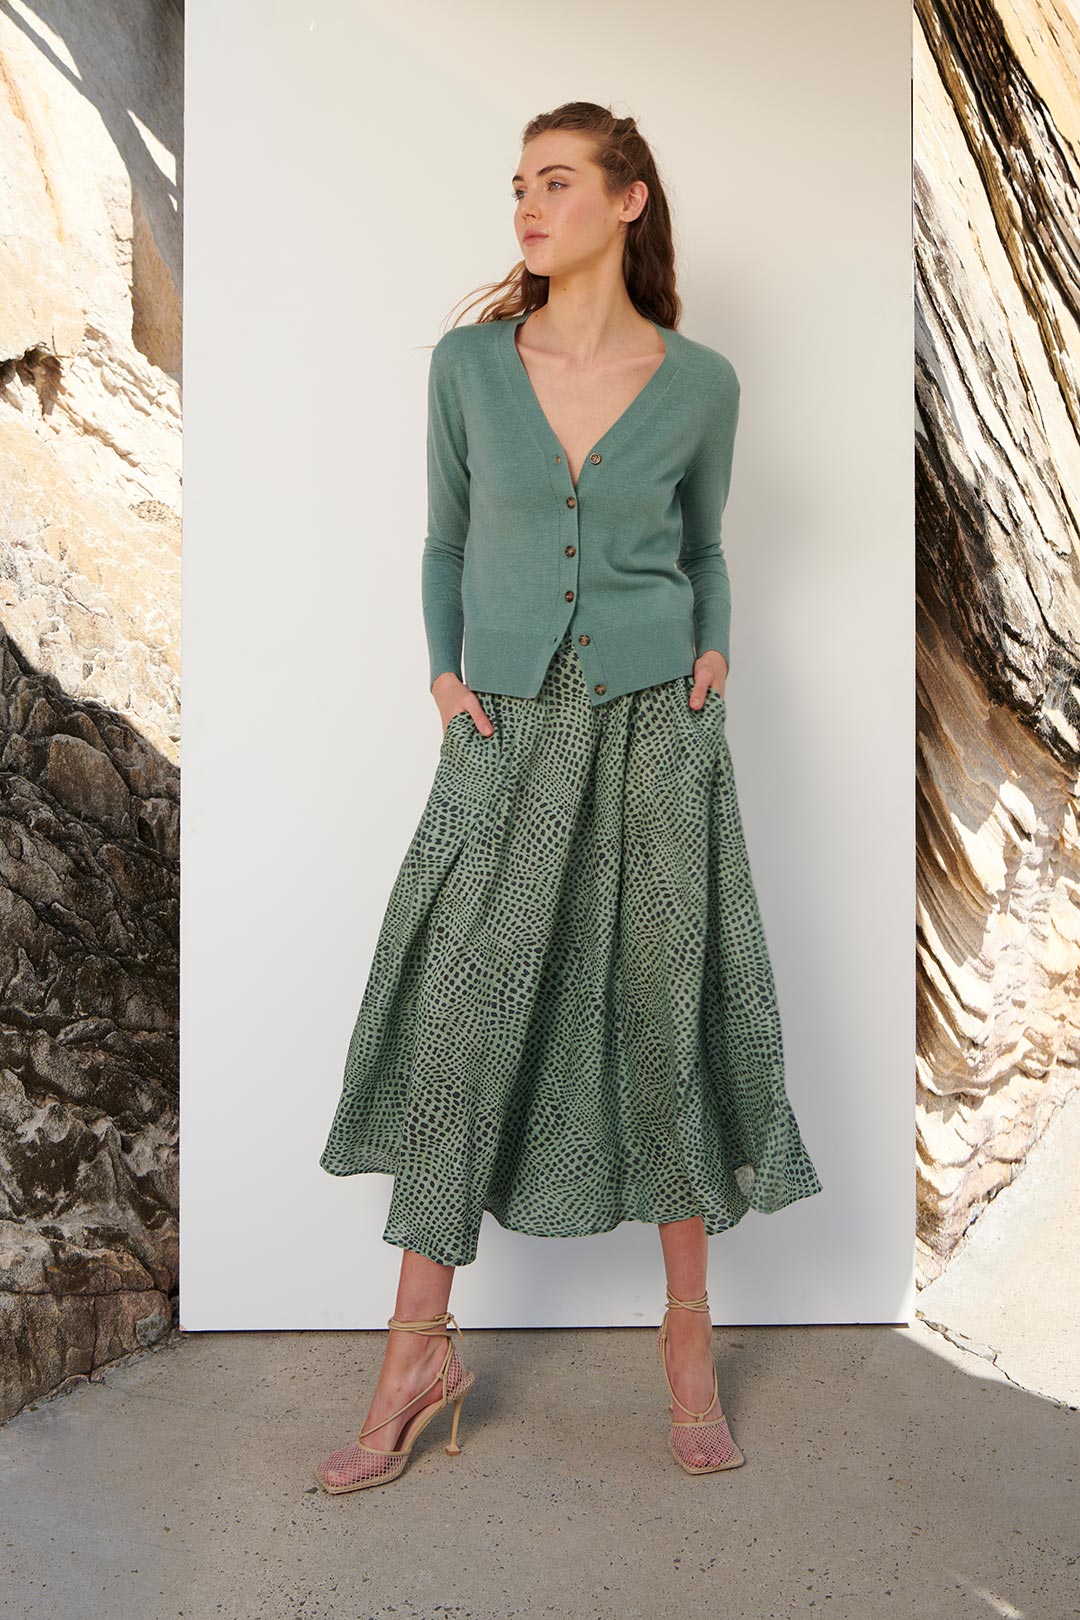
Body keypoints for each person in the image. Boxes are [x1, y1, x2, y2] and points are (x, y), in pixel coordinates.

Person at [314, 101, 823, 1495]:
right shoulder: (470, 366)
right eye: (519, 187)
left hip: (662, 725)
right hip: (508, 722)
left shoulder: (701, 383)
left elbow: (705, 550)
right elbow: (443, 542)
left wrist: (717, 647)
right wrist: (443, 679)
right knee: (462, 1019)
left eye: (556, 182)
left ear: (628, 199)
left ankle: (687, 1342)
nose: (528, 208)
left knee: (662, 1011)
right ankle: (416, 1353)